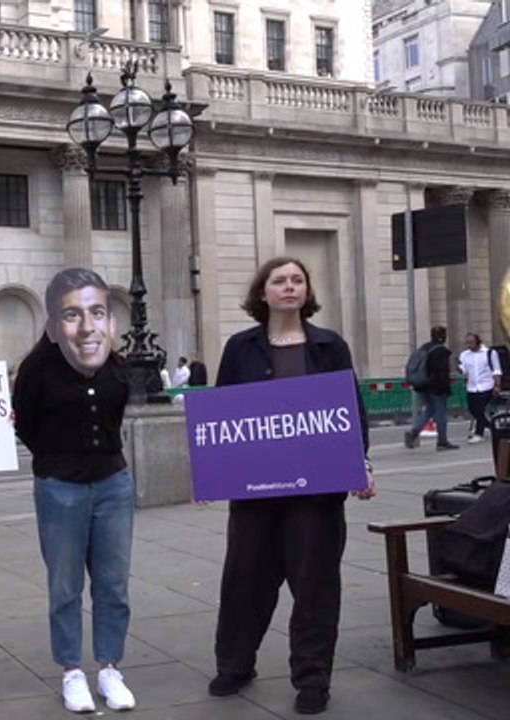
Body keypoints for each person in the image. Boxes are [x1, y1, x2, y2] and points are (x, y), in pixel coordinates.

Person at [208, 256, 375, 716]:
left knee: (316, 585)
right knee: (244, 581)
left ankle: (313, 676)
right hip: (255, 494)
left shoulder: (329, 346)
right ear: (263, 293)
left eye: (297, 280)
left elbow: (350, 412)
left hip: (316, 496)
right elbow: (223, 416)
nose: (289, 287)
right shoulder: (240, 348)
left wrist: (361, 464)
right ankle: (236, 664)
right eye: (279, 281)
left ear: (306, 291)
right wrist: (211, 471)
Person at [12, 269, 137, 714]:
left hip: (113, 484)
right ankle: (71, 671)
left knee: (113, 583)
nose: (86, 325)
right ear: (53, 320)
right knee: (65, 586)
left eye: (96, 312)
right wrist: (55, 458)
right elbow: (25, 424)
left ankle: (109, 666)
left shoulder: (117, 364)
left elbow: (116, 416)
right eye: (71, 313)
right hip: (60, 486)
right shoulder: (37, 369)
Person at [404, 325, 459, 451]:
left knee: (428, 410)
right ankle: (442, 441)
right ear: (443, 336)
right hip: (437, 387)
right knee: (440, 414)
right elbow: (442, 373)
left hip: (423, 386)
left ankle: (414, 432)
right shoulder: (441, 351)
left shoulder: (424, 348)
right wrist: (446, 388)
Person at [458, 332, 501, 443]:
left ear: (477, 342)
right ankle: (491, 426)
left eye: (471, 342)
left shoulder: (489, 353)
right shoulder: (464, 355)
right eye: (467, 343)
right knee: (473, 410)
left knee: (480, 409)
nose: (469, 345)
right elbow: (464, 370)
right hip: (472, 386)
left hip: (486, 385)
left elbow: (496, 370)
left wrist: (497, 385)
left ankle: (479, 433)